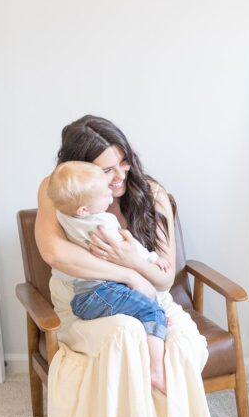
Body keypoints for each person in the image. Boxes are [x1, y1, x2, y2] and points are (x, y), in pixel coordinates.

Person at [35, 115, 222, 417]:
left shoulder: (150, 193)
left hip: (151, 296)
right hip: (80, 302)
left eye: (123, 162)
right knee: (124, 334)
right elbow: (56, 253)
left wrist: (134, 260)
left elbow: (163, 278)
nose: (119, 175)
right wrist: (128, 273)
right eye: (106, 169)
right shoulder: (59, 192)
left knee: (176, 344)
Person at [47, 160, 171, 395]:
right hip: (102, 293)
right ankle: (156, 370)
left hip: (86, 295)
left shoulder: (63, 215)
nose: (110, 195)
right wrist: (154, 259)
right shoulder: (102, 223)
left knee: (141, 303)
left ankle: (154, 325)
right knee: (152, 311)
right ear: (84, 209)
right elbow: (129, 248)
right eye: (104, 193)